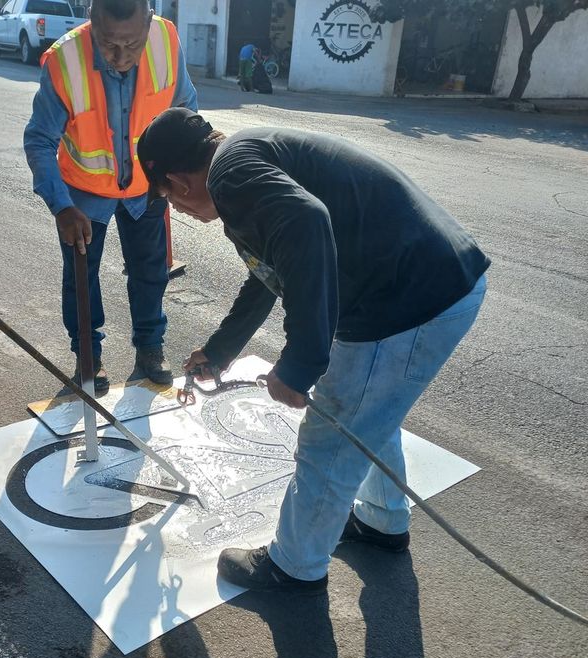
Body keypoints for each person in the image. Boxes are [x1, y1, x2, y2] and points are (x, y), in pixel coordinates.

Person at [137, 108, 490, 594]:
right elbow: (269, 273)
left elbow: (306, 222)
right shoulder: (244, 161)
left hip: (410, 296)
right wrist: (219, 351)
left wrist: (300, 363)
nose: (178, 211)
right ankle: (382, 520)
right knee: (368, 411)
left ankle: (295, 564)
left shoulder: (233, 176)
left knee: (331, 433)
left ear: (176, 181)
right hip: (433, 279)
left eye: (167, 199)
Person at [24, 0, 198, 392]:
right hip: (82, 195)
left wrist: (178, 172)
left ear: (149, 22)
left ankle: (151, 348)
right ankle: (88, 357)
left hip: (145, 188)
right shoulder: (63, 60)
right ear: (91, 20)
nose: (121, 57)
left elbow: (185, 108)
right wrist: (61, 205)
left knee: (151, 272)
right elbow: (39, 139)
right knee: (81, 278)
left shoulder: (166, 40)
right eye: (108, 45)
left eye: (132, 45)